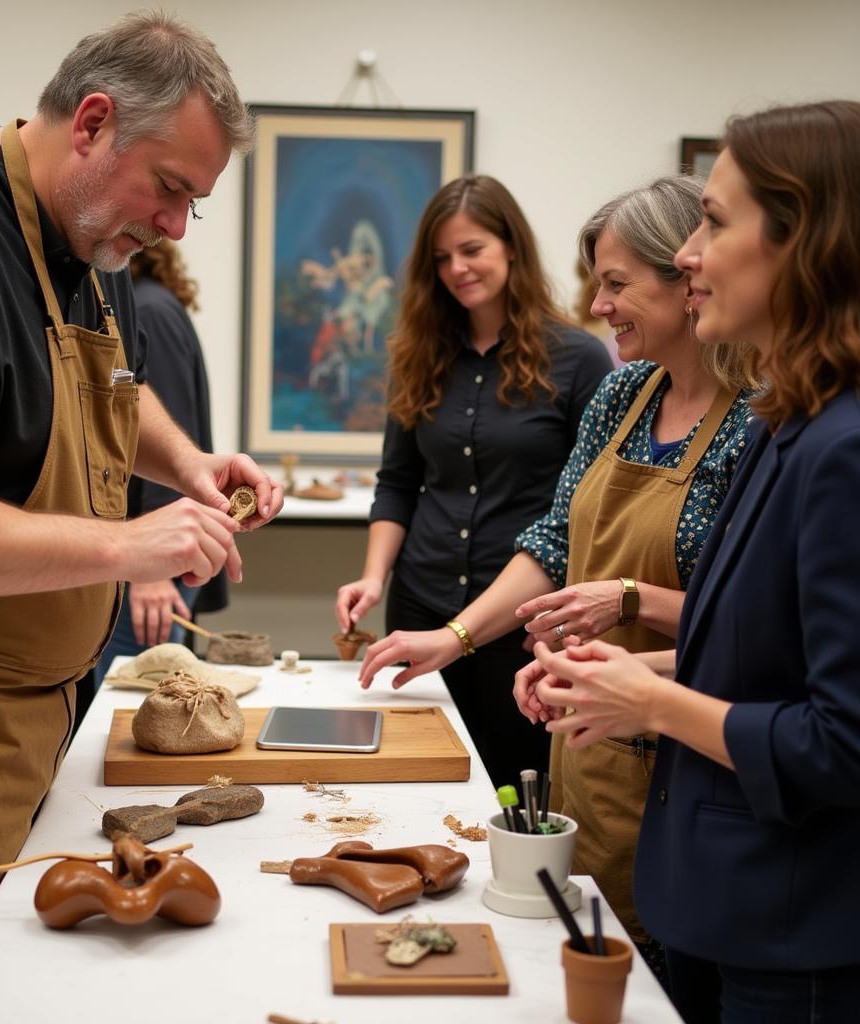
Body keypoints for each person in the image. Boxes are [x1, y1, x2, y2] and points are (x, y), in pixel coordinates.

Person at [0, 13, 284, 1023]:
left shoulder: (76, 248)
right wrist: (131, 543)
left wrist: (189, 463)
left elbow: (112, 393)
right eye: (168, 188)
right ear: (90, 123)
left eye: (191, 207)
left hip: (5, 727)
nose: (173, 225)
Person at [360, 175, 756, 975]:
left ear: (686, 277)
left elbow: (753, 620)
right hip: (597, 745)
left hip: (693, 754)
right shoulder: (621, 394)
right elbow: (552, 543)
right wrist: (457, 635)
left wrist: (632, 599)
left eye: (616, 285)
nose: (600, 307)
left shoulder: (761, 416)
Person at [530, 101, 860, 1023]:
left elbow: (842, 741)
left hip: (796, 940)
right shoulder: (788, 422)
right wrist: (627, 670)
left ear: (806, 239)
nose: (688, 254)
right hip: (724, 905)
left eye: (715, 223)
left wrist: (651, 700)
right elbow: (769, 661)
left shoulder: (844, 447)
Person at [338, 175, 612, 790]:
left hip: (521, 621)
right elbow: (398, 482)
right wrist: (373, 578)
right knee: (416, 780)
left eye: (472, 249)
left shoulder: (578, 359)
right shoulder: (417, 353)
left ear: (511, 246)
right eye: (441, 258)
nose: (457, 268)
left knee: (516, 784)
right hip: (421, 601)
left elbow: (584, 513)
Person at [92, 239, 227, 688]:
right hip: (146, 552)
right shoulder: (154, 304)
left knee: (134, 712)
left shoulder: (147, 310)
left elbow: (161, 432)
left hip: (147, 565)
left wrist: (153, 571)